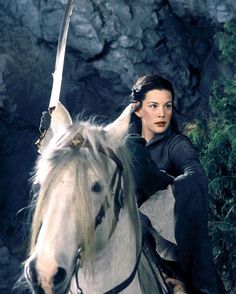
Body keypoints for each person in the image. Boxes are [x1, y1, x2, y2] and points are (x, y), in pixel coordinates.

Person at [128, 73, 226, 294]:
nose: (162, 113)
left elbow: (195, 175)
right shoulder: (125, 146)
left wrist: (157, 181)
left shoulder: (176, 144)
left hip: (174, 253)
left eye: (167, 106)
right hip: (130, 241)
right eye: (153, 106)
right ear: (138, 109)